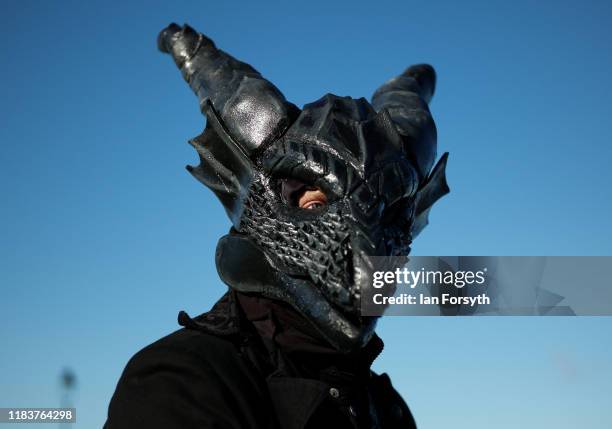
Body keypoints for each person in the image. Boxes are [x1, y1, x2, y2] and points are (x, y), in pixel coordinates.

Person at [104, 23, 449, 429]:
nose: (363, 249)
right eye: (316, 202)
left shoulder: (384, 408)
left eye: (388, 212)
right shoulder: (183, 378)